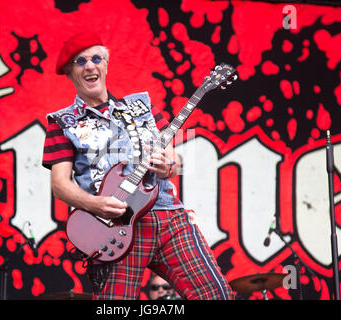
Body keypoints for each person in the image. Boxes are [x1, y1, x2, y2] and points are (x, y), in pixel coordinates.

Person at [42, 31, 234, 300]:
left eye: (96, 58)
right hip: (116, 227)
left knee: (217, 295)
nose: (90, 66)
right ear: (69, 72)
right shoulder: (61, 123)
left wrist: (167, 165)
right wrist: (95, 205)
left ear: (106, 65)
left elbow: (173, 161)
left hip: (169, 217)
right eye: (80, 61)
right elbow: (60, 185)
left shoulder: (141, 107)